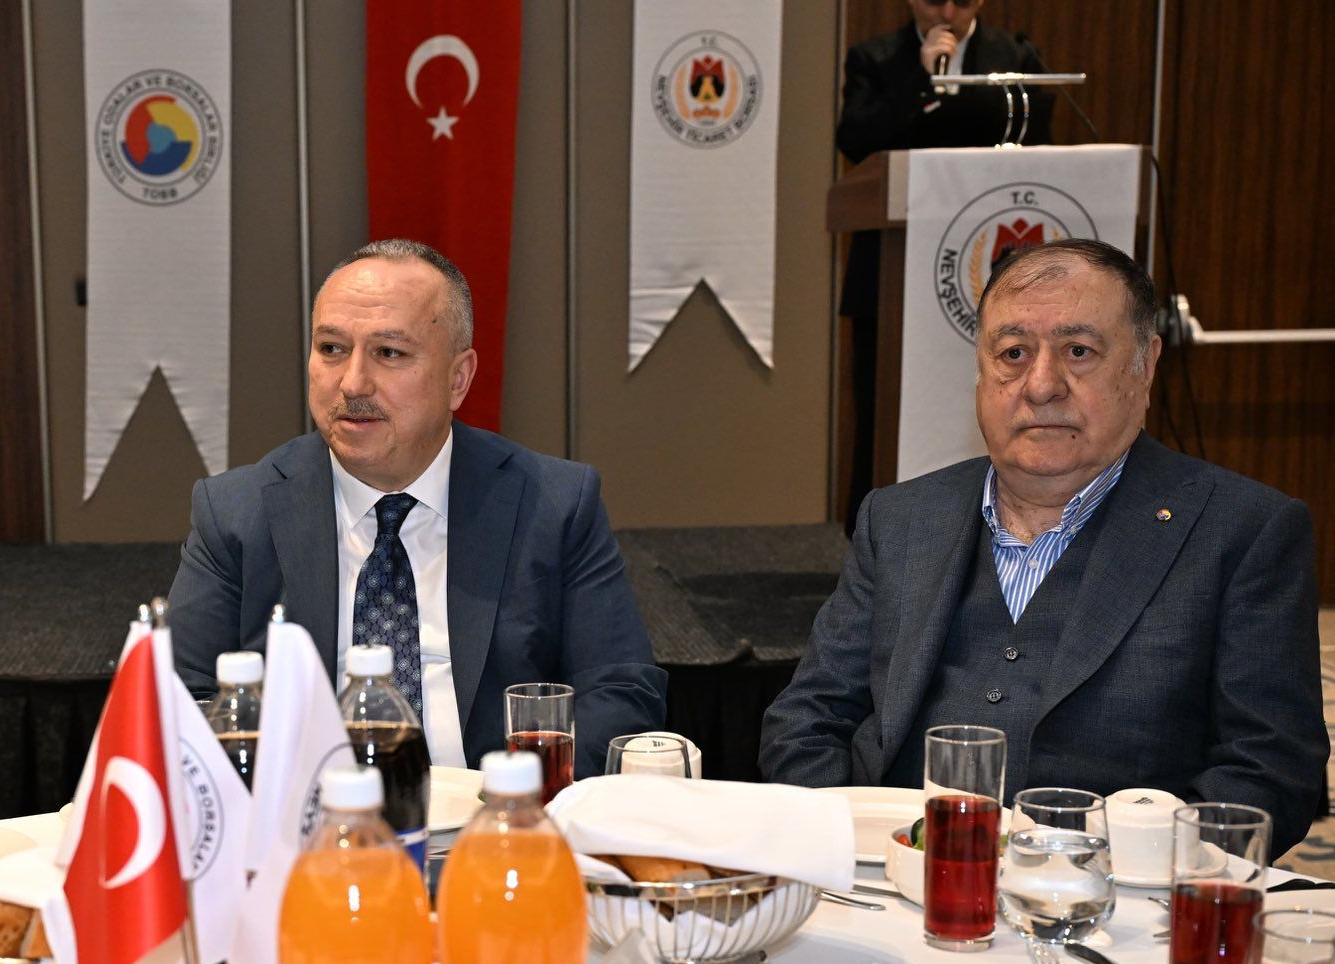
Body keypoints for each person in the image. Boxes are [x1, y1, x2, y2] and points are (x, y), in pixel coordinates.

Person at [760, 239, 1326, 853]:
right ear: (981, 372)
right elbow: (807, 719)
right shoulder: (899, 519)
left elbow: (1270, 770)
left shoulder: (1243, 531)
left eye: (1079, 351)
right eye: (1013, 353)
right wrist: (842, 848)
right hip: (887, 872)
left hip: (1112, 894)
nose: (1041, 385)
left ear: (1145, 365)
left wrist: (1128, 872)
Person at [166, 239, 666, 777]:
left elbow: (619, 692)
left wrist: (514, 800)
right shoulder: (235, 513)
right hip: (310, 817)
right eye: (331, 348)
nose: (352, 382)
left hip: (497, 810)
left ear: (458, 378)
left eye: (389, 353)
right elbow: (180, 703)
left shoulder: (555, 504)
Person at [838, 1, 1052, 526]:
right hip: (891, 275)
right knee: (881, 408)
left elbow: (1036, 140)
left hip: (991, 268)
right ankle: (872, 538)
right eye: (936, 0)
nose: (949, 11)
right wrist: (918, 78)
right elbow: (856, 140)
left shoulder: (1015, 56)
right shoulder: (876, 59)